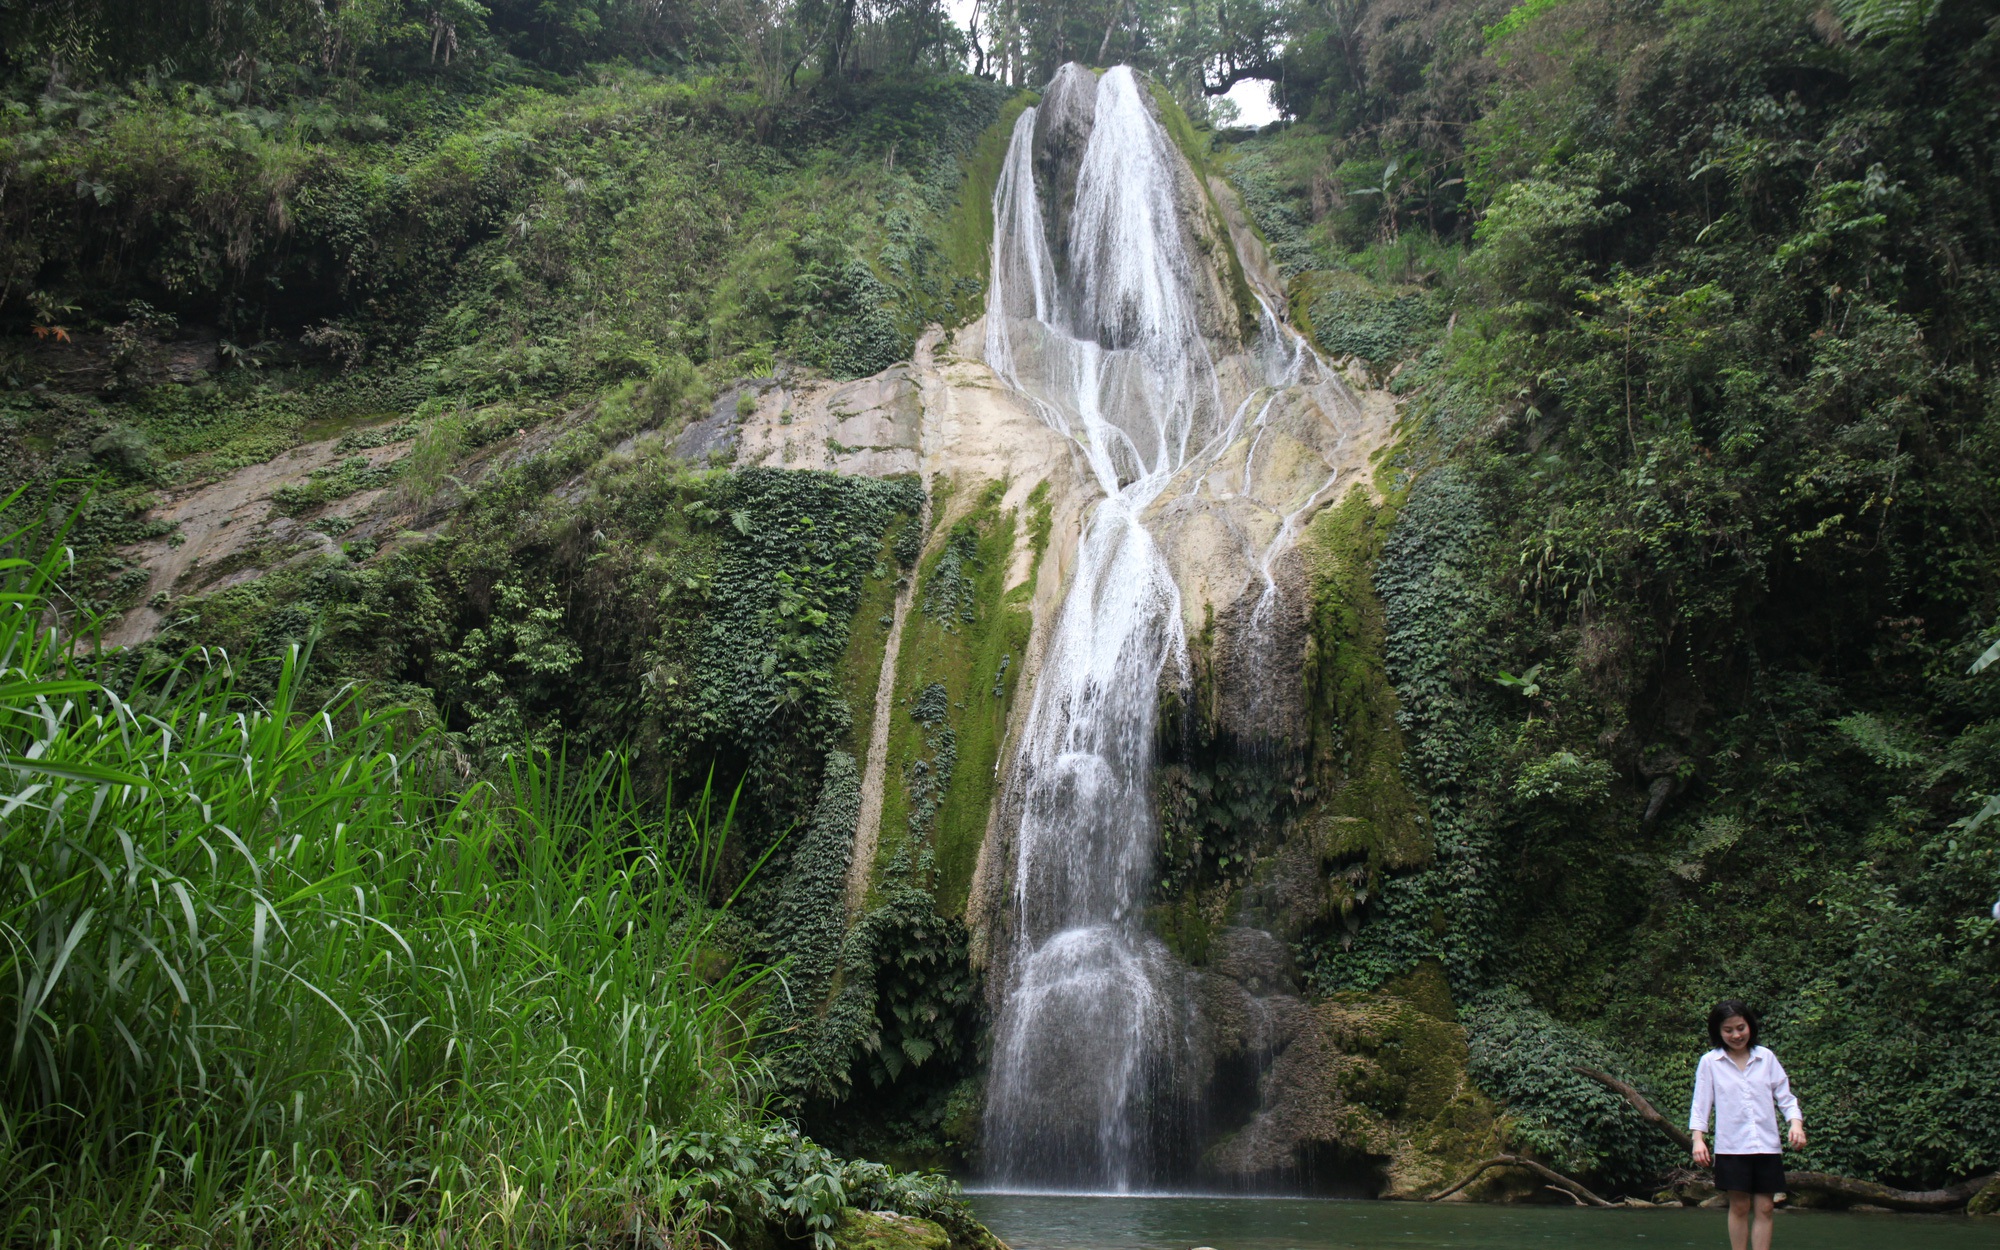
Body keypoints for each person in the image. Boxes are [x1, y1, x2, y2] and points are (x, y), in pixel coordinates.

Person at [1688, 1000, 1806, 1250]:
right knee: (1740, 1206)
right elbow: (1701, 1104)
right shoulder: (1710, 1062)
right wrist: (1698, 1139)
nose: (1736, 1035)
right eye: (1728, 1030)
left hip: (1766, 1144)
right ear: (1718, 1032)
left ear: (1749, 1026)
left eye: (1740, 1027)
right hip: (1732, 1146)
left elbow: (1785, 1097)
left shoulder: (1766, 1057)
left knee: (1765, 1206)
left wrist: (1795, 1124)